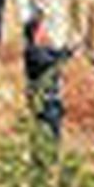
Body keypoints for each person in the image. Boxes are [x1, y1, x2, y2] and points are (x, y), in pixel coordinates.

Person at [23, 10, 71, 143]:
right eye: (42, 30)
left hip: (52, 99)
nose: (46, 33)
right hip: (42, 100)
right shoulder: (32, 52)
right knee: (44, 134)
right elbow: (54, 59)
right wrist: (66, 53)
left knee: (54, 133)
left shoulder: (45, 49)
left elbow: (60, 54)